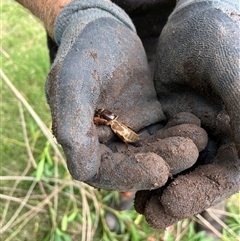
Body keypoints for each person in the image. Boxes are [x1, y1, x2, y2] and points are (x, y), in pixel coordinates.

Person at [15, 0, 239, 229]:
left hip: (190, 42)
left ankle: (209, 208)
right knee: (114, 155)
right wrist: (74, 11)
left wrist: (225, 7)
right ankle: (122, 193)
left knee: (210, 139)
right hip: (100, 48)